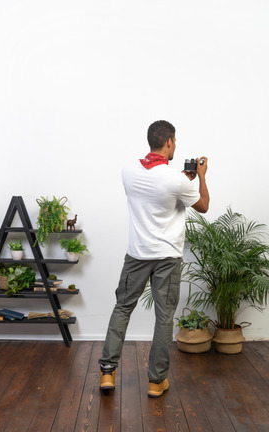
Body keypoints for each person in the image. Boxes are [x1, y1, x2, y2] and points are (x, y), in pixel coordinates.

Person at [99, 120, 209, 397]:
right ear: (170, 141)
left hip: (136, 254)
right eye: (175, 141)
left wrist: (183, 179)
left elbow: (154, 185)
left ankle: (107, 374)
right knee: (163, 318)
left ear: (150, 140)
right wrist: (201, 176)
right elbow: (204, 206)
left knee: (122, 308)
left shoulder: (128, 171)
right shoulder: (175, 180)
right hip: (167, 258)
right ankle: (155, 381)